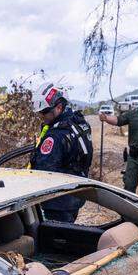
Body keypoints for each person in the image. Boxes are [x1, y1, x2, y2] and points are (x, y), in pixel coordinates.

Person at [30, 81, 94, 221]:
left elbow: (42, 171)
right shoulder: (79, 122)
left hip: (58, 201)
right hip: (76, 194)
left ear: (59, 107)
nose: (42, 115)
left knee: (57, 239)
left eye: (45, 111)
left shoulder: (56, 135)